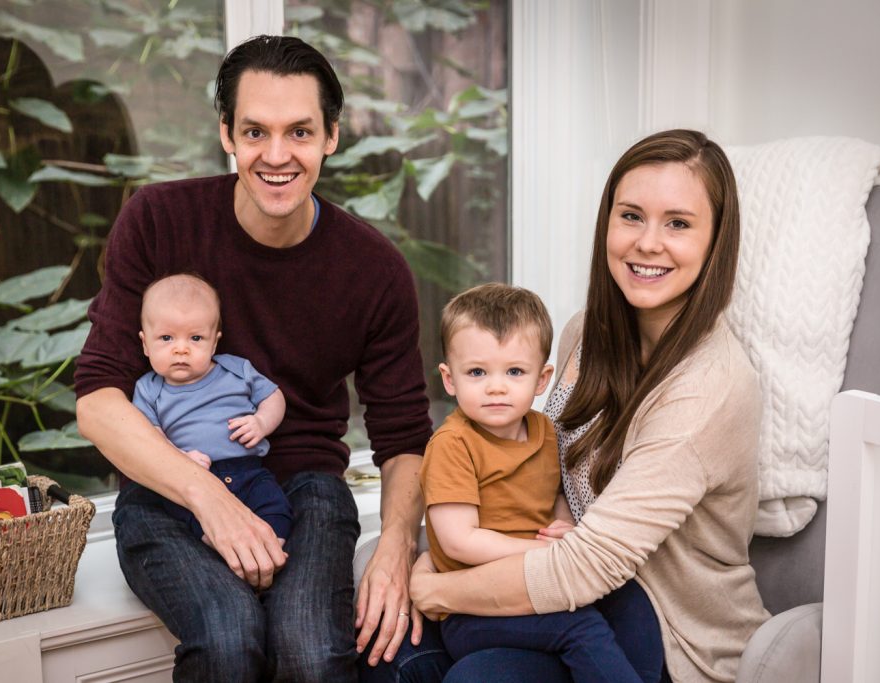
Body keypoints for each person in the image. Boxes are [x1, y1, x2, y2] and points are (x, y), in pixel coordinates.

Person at [75, 35, 433, 682]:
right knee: (228, 639)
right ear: (226, 134)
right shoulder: (157, 220)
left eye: (300, 131)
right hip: (169, 490)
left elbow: (403, 435)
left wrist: (397, 547)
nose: (276, 155)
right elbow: (99, 400)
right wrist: (208, 496)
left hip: (307, 487)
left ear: (331, 136)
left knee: (313, 655)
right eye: (254, 131)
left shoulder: (374, 269)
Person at [408, 129, 770, 683]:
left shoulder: (709, 389)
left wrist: (438, 589)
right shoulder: (584, 333)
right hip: (564, 586)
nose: (647, 243)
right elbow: (546, 473)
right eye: (631, 216)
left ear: (716, 241)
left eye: (678, 223)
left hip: (665, 627)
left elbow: (591, 563)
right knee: (392, 659)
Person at [421, 282, 663, 682]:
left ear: (542, 379)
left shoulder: (544, 431)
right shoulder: (453, 445)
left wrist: (562, 526)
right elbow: (458, 541)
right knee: (579, 627)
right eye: (477, 372)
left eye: (515, 371)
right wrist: (543, 553)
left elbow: (552, 494)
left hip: (537, 582)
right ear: (449, 379)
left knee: (630, 597)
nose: (496, 386)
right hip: (472, 609)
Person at [132, 273, 291, 544]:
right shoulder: (148, 389)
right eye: (166, 338)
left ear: (214, 342)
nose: (181, 349)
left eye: (195, 338)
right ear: (146, 343)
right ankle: (218, 544)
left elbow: (274, 397)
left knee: (274, 505)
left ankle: (273, 544)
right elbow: (150, 437)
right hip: (192, 479)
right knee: (186, 515)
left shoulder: (236, 369)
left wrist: (261, 422)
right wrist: (179, 459)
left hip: (247, 471)